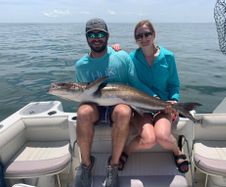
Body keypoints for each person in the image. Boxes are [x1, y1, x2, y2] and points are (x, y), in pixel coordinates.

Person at [73, 18, 156, 187]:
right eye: (92, 34)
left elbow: (135, 83)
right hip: (96, 106)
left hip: (119, 104)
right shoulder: (81, 65)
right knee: (82, 112)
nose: (96, 38)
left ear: (107, 36)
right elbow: (83, 93)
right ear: (87, 38)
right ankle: (86, 165)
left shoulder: (121, 56)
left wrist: (158, 100)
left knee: (124, 112)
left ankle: (114, 165)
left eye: (100, 34)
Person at [117, 20, 189, 173]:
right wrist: (113, 49)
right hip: (140, 106)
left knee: (162, 137)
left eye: (147, 34)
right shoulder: (131, 58)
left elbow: (174, 84)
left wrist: (174, 100)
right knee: (149, 140)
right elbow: (132, 80)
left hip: (164, 107)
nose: (143, 38)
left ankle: (177, 151)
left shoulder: (168, 56)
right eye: (139, 36)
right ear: (135, 39)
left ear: (154, 34)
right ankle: (126, 152)